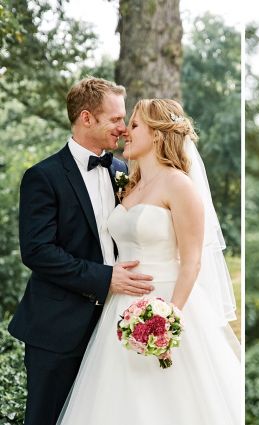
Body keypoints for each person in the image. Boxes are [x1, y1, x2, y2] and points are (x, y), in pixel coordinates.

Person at [56, 99, 242, 424]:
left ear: (157, 134)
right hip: (119, 308)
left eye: (136, 125)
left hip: (167, 302)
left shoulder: (180, 185)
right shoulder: (129, 185)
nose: (126, 131)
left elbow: (192, 261)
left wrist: (169, 321)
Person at [9, 77, 154, 425]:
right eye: (116, 119)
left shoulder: (123, 171)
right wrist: (106, 279)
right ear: (86, 118)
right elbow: (38, 251)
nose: (123, 128)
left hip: (115, 325)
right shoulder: (43, 176)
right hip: (57, 329)